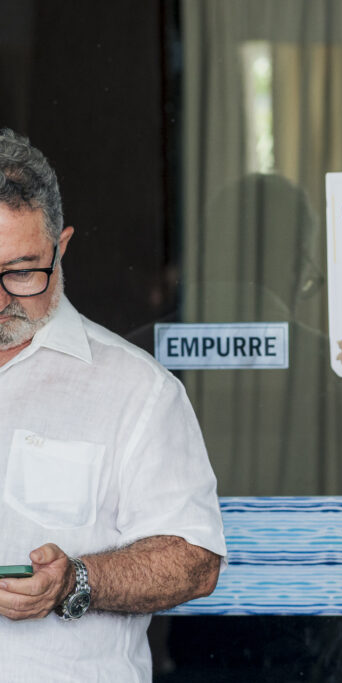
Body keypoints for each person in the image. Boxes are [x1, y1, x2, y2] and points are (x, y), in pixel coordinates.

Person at [0, 128, 226, 681]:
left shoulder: (137, 389)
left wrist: (76, 580)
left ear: (62, 247)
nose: (0, 299)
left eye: (22, 271)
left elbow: (194, 560)